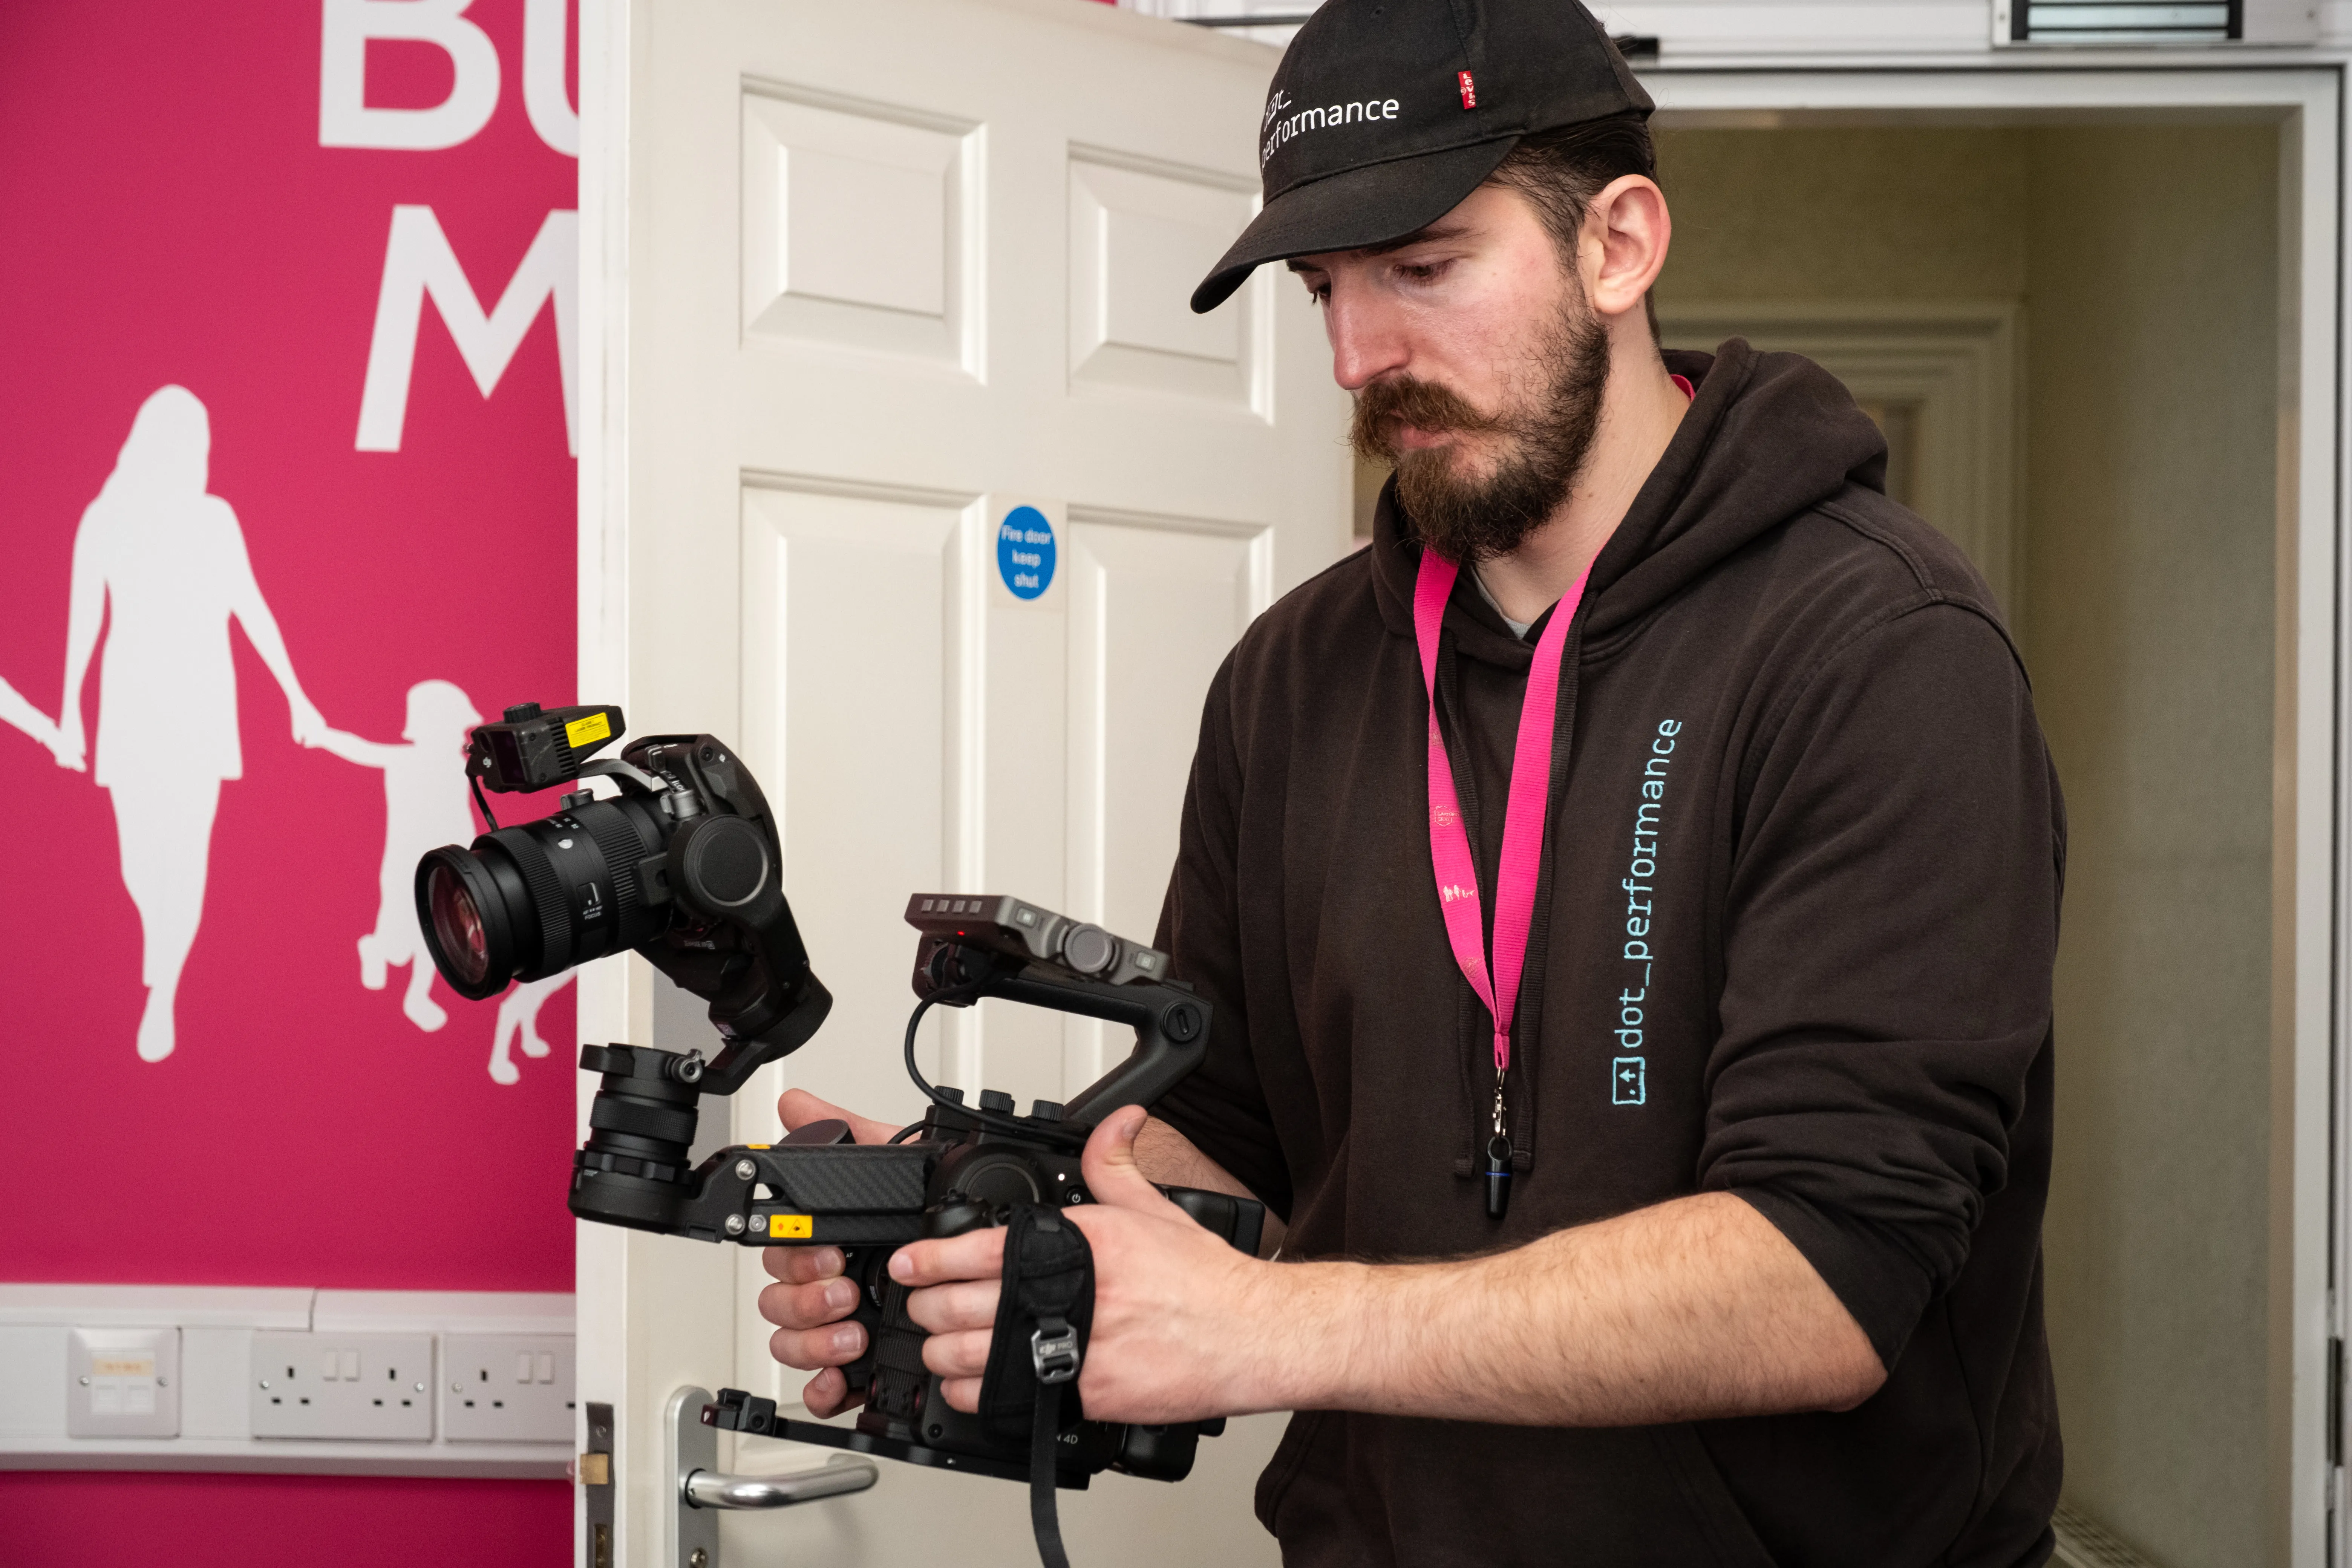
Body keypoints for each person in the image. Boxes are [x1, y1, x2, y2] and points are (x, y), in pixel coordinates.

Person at [760, 3, 2064, 1563]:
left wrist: (1268, 1327)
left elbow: (1826, 1278)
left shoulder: (1877, 648)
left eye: (1422, 266)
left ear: (1619, 244)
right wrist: (973, 1233)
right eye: (1325, 287)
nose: (1356, 356)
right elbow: (1231, 1139)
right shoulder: (1293, 676)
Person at [57, 386, 328, 1063]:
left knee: (186, 855)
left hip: (201, 709)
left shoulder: (215, 519)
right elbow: (84, 618)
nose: (197, 453)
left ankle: (165, 993)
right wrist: (68, 712)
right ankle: (160, 932)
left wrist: (297, 697)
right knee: (138, 862)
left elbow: (251, 609)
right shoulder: (106, 518)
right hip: (128, 710)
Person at [313, 679, 485, 1035]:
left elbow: (462, 815)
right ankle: (376, 949)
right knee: (397, 940)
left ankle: (417, 996)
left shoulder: (458, 768)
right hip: (403, 867)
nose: (459, 736)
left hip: (445, 866)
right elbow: (363, 750)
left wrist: (472, 856)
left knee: (436, 933)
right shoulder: (406, 760)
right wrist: (324, 736)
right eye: (452, 727)